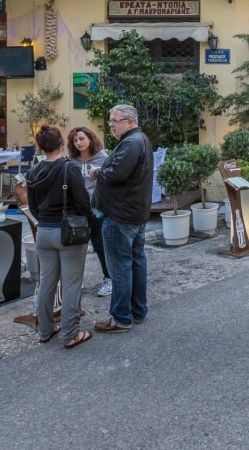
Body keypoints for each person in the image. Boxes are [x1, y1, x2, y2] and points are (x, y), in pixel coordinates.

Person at [26, 125, 93, 349]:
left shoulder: (33, 171)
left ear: (40, 147)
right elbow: (83, 201)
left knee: (47, 281)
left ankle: (45, 329)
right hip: (67, 232)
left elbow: (32, 206)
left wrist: (45, 219)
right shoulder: (69, 168)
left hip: (44, 230)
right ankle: (71, 332)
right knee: (71, 283)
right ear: (62, 144)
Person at [91, 104, 153, 333]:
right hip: (133, 213)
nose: (111, 125)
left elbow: (117, 173)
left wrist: (96, 172)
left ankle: (120, 318)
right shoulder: (139, 140)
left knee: (120, 267)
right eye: (110, 121)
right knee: (135, 263)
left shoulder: (131, 142)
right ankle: (137, 311)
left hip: (120, 215)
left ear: (129, 122)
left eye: (115, 120)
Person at [67, 126, 111, 298]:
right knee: (77, 247)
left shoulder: (103, 158)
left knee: (100, 245)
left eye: (82, 138)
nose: (79, 142)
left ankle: (109, 278)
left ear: (90, 139)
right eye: (75, 140)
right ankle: (77, 282)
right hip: (78, 211)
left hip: (97, 210)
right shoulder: (71, 161)